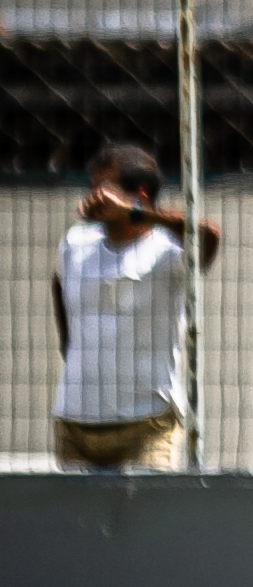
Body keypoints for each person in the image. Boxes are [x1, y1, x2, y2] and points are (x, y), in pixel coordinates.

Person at [49, 143, 220, 471]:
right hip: (75, 422)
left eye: (104, 190)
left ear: (139, 193)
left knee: (149, 520)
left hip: (148, 425)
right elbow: (60, 289)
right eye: (92, 188)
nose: (94, 198)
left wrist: (137, 212)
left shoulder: (168, 252)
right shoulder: (75, 243)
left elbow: (209, 234)